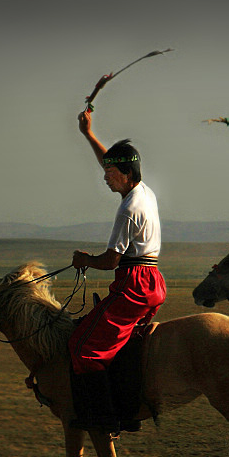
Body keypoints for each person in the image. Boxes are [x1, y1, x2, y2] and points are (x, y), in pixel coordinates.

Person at [67, 108, 166, 434]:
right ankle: (126, 408)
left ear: (125, 173)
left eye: (110, 172)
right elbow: (110, 160)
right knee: (118, 345)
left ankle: (104, 419)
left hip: (133, 283)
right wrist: (88, 133)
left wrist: (85, 259)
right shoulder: (143, 191)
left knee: (83, 347)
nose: (104, 176)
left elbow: (110, 261)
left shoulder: (128, 209)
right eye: (105, 170)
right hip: (153, 281)